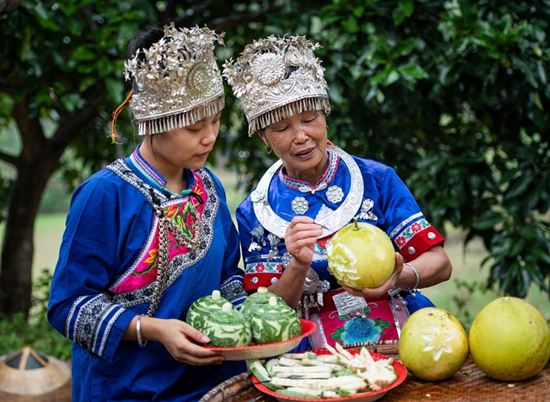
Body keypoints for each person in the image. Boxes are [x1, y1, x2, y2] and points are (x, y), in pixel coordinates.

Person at [47, 23, 248, 401]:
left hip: (210, 383)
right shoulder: (104, 195)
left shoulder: (209, 187)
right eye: (193, 127)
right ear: (153, 123)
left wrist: (250, 320)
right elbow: (67, 306)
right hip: (126, 387)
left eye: (216, 120)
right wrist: (153, 329)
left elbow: (227, 279)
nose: (209, 137)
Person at [223, 35, 452, 352]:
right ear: (264, 137)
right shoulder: (256, 211)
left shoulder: (377, 180)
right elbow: (264, 312)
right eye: (282, 128)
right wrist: (298, 265)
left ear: (325, 115)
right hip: (314, 353)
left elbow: (441, 263)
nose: (301, 136)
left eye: (309, 119)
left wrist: (398, 277)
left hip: (403, 337)